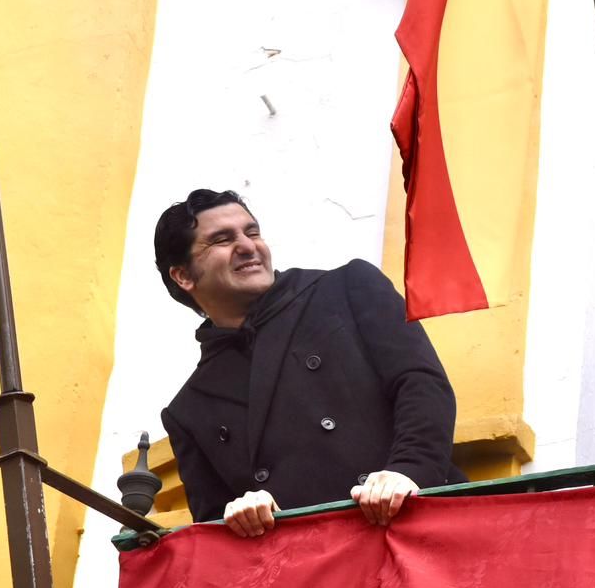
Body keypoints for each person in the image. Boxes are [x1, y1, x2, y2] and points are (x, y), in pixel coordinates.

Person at [153, 189, 464, 536]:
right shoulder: (189, 410)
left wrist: (408, 472)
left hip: (409, 527)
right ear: (183, 276)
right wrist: (239, 516)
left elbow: (420, 382)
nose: (247, 245)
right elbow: (213, 531)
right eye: (222, 240)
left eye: (252, 232)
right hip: (311, 570)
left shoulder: (346, 287)